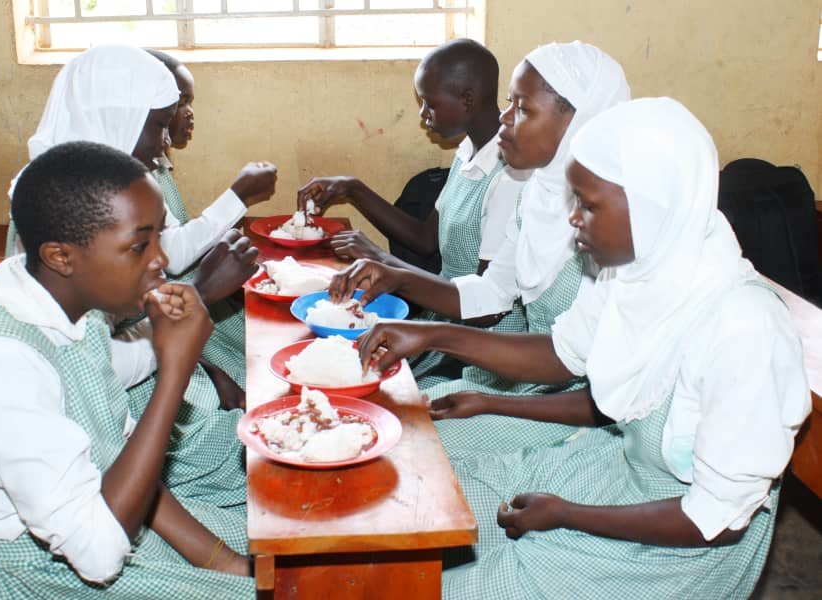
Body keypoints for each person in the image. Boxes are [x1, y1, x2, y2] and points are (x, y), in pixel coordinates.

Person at [352, 98, 810, 599]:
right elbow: (562, 355)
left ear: (654, 206)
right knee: (422, 503)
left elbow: (716, 520)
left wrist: (568, 514)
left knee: (453, 587)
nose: (572, 219)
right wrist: (434, 335)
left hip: (679, 547)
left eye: (589, 205)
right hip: (613, 470)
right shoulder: (634, 272)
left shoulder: (743, 327)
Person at [0, 141, 255, 597]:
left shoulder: (75, 312)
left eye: (158, 237)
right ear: (61, 257)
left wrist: (228, 563)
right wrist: (173, 372)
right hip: (43, 576)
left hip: (110, 517)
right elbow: (98, 556)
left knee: (274, 556)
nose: (161, 260)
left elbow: (120, 457)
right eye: (139, 245)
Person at [330, 42, 630, 458]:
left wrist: (437, 338)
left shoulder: (616, 231)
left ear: (579, 120)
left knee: (400, 447)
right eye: (510, 103)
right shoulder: (537, 198)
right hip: (525, 381)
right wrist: (396, 277)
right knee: (378, 418)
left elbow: (583, 371)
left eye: (522, 109)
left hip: (573, 407)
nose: (504, 118)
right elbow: (491, 291)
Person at [6, 44, 276, 391]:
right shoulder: (58, 206)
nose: (164, 143)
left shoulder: (123, 184)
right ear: (121, 120)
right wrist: (199, 293)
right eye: (160, 125)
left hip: (145, 338)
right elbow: (93, 368)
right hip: (120, 382)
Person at [298, 38, 526, 386]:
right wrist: (353, 189)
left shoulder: (509, 176)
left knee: (370, 385)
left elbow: (486, 309)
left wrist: (381, 259)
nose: (423, 116)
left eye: (429, 104)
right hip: (446, 322)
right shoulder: (469, 150)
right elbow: (425, 239)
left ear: (467, 99)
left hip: (484, 346)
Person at [142, 49, 250, 396]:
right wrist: (239, 195)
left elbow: (170, 243)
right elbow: (172, 256)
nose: (188, 114)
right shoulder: (116, 186)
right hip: (156, 323)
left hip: (166, 312)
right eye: (179, 105)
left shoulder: (150, 166)